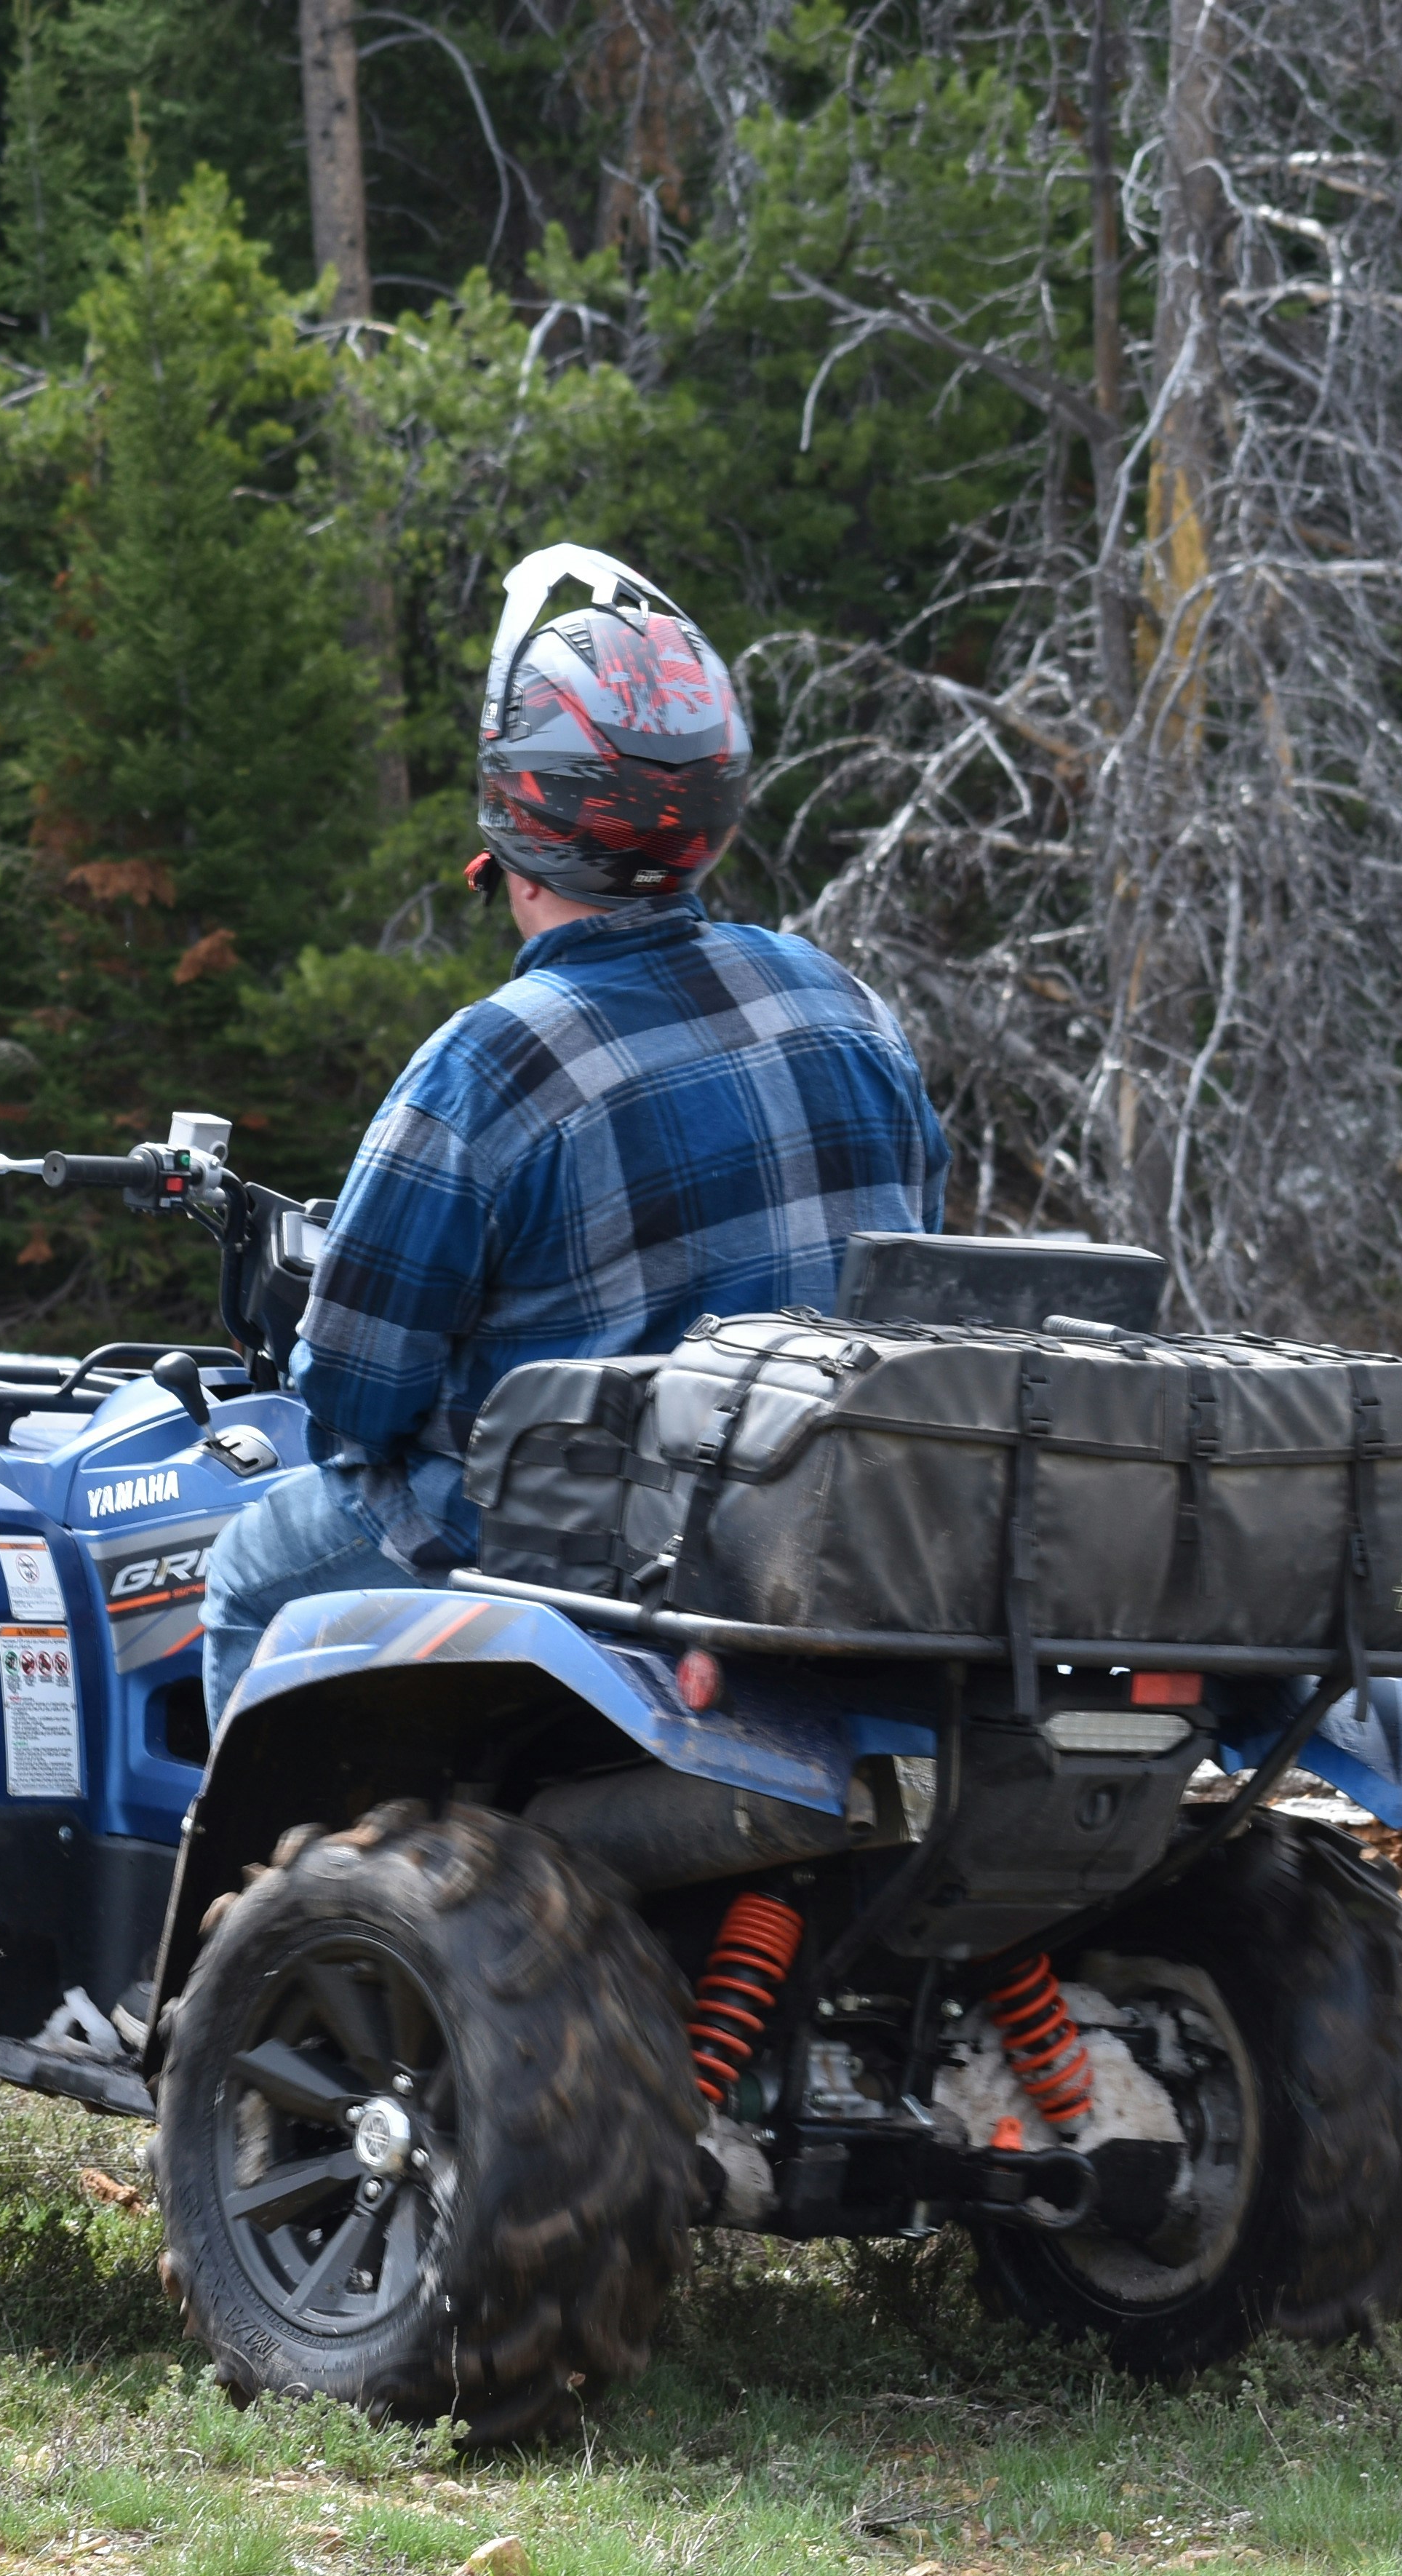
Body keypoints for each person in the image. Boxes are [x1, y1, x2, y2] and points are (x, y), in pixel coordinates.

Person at [198, 545, 952, 1725]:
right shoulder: (838, 1001)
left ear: (514, 815)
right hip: (829, 1539)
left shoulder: (491, 1063)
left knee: (248, 1570)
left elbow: (352, 1399)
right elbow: (915, 1263)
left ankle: (260, 1899)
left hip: (583, 1554)